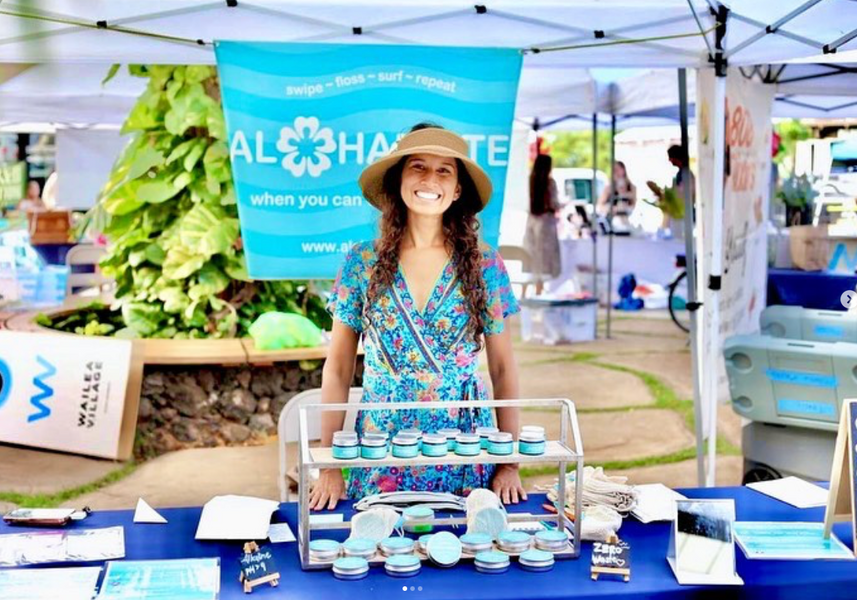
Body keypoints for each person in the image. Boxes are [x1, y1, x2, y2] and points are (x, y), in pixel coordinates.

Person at [309, 124, 526, 510]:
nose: (431, 179)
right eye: (418, 167)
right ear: (398, 180)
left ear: (458, 189)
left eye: (445, 170)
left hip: (463, 448)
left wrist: (509, 463)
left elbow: (503, 368)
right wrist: (330, 464)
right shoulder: (362, 262)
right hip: (381, 449)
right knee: (377, 553)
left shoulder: (485, 264)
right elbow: (339, 368)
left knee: (463, 552)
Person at [523, 153, 561, 296]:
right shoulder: (550, 183)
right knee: (543, 262)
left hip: (531, 222)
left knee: (531, 259)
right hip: (546, 224)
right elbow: (554, 203)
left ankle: (525, 293)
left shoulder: (529, 181)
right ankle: (538, 293)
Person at [596, 161, 637, 233]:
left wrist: (623, 192)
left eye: (618, 169)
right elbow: (600, 204)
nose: (616, 172)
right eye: (614, 170)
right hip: (612, 218)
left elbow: (633, 204)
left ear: (623, 170)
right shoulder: (609, 187)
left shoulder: (631, 187)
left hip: (626, 217)